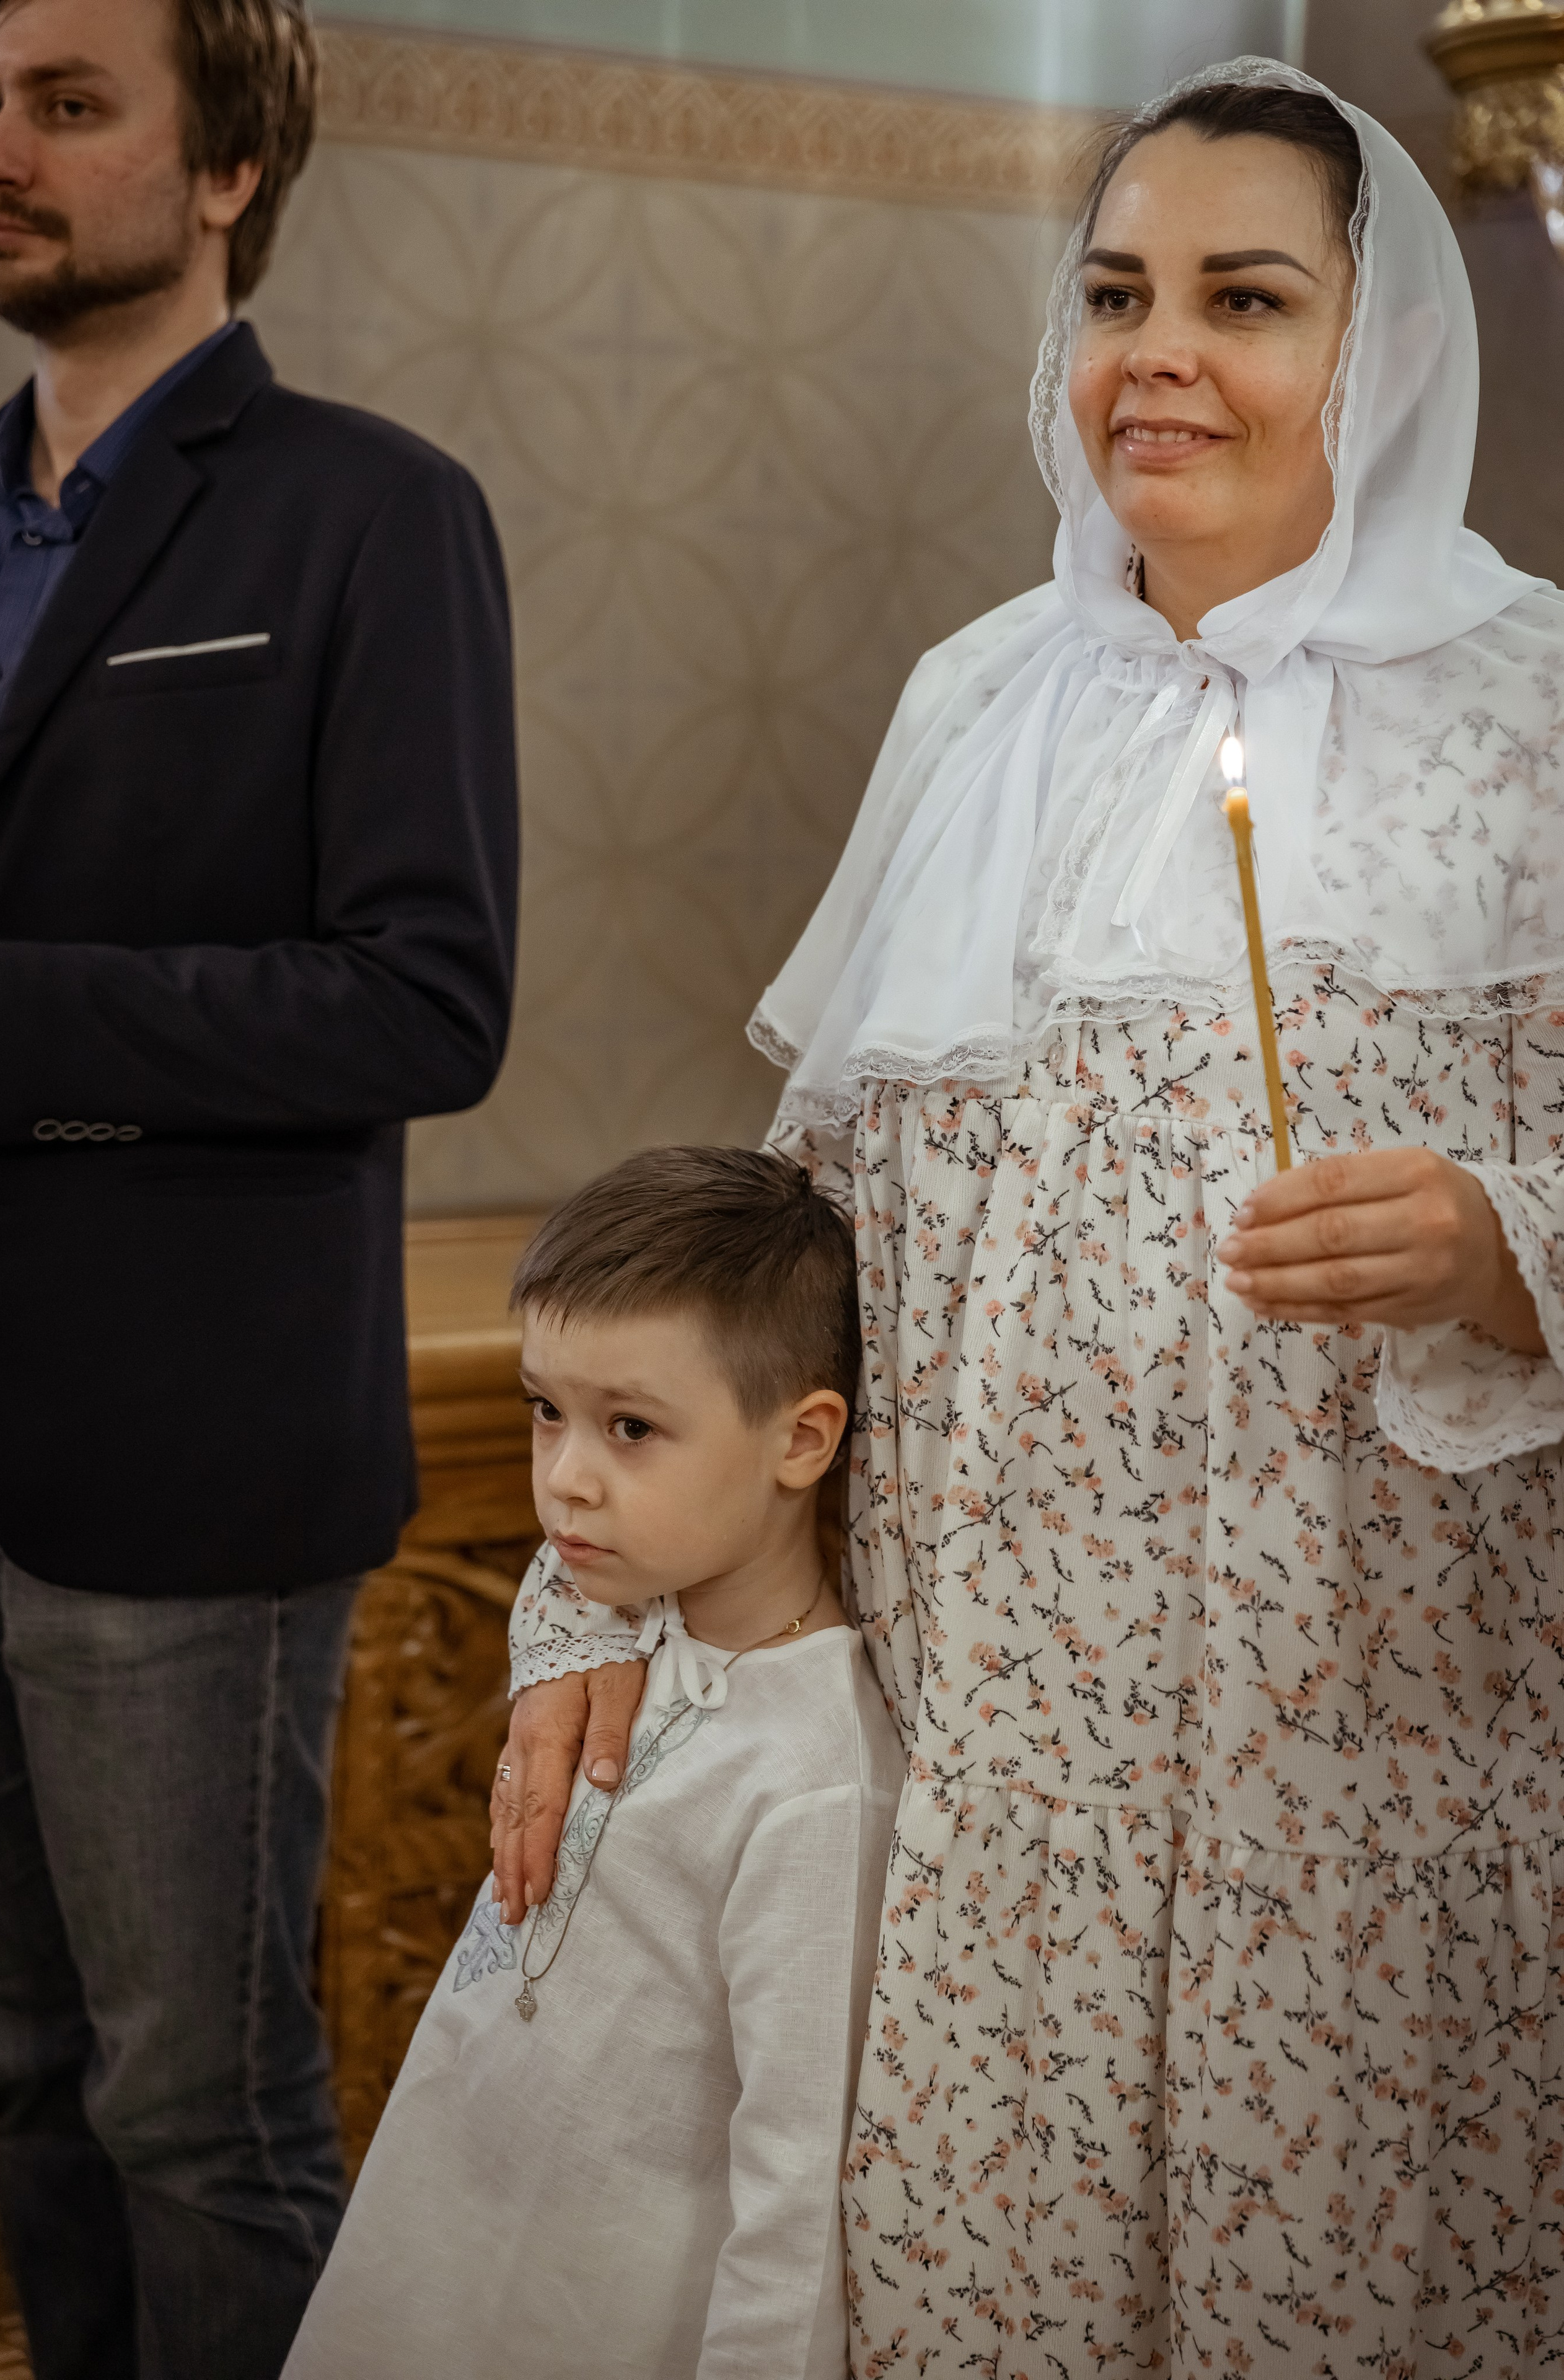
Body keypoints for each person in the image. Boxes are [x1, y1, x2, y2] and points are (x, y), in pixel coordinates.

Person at [494, 56, 1564, 2374]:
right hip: (1003, 1793)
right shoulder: (979, 701)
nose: (1156, 353)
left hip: (1375, 1792)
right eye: (1114, 291)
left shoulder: (1539, 712)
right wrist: (584, 1596)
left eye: (1246, 298)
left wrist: (1504, 1245)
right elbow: (793, 1251)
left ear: (1381, 360)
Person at [0, 0, 516, 2373]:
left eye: (68, 106)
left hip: (186, 1454)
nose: (0, 147)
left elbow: (424, 1005)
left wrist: (11, 1028)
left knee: (204, 2115)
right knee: (18, 2078)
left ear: (226, 169)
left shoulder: (371, 511)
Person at [282, 1147, 905, 2380]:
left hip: (610, 2319)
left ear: (800, 1438)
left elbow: (792, 2204)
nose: (564, 1476)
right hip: (440, 2246)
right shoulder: (622, 1632)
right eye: (544, 1410)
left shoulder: (817, 1783)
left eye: (630, 1428)